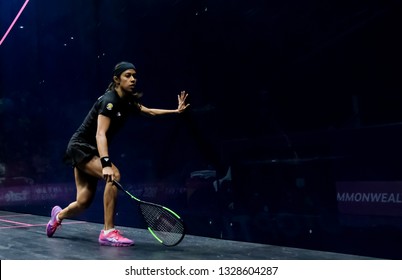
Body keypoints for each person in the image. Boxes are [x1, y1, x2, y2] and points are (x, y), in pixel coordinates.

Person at [46, 61, 190, 246]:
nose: (133, 79)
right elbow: (100, 134)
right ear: (116, 79)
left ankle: (57, 216)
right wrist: (106, 164)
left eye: (134, 76)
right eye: (127, 75)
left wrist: (176, 111)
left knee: (82, 202)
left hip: (88, 151)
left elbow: (149, 112)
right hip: (81, 148)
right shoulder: (110, 101)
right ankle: (108, 231)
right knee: (114, 174)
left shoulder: (127, 101)